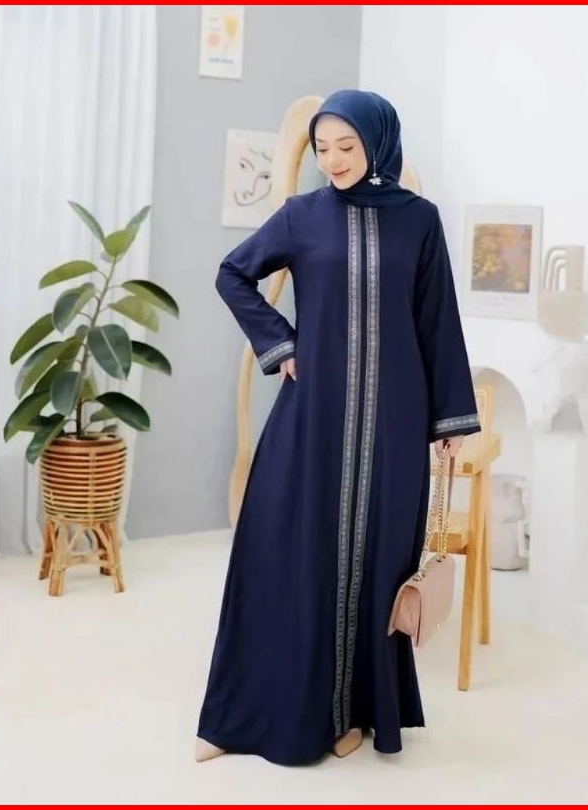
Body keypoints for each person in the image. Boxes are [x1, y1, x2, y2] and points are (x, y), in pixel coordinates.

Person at [195, 89, 481, 767]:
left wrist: (449, 418)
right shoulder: (302, 216)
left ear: (376, 143)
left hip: (396, 421)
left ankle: (352, 714)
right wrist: (281, 344)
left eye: (346, 147)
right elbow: (233, 274)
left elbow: (437, 319)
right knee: (283, 550)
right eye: (322, 149)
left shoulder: (419, 222)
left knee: (374, 562)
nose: (333, 160)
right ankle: (247, 714)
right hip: (313, 415)